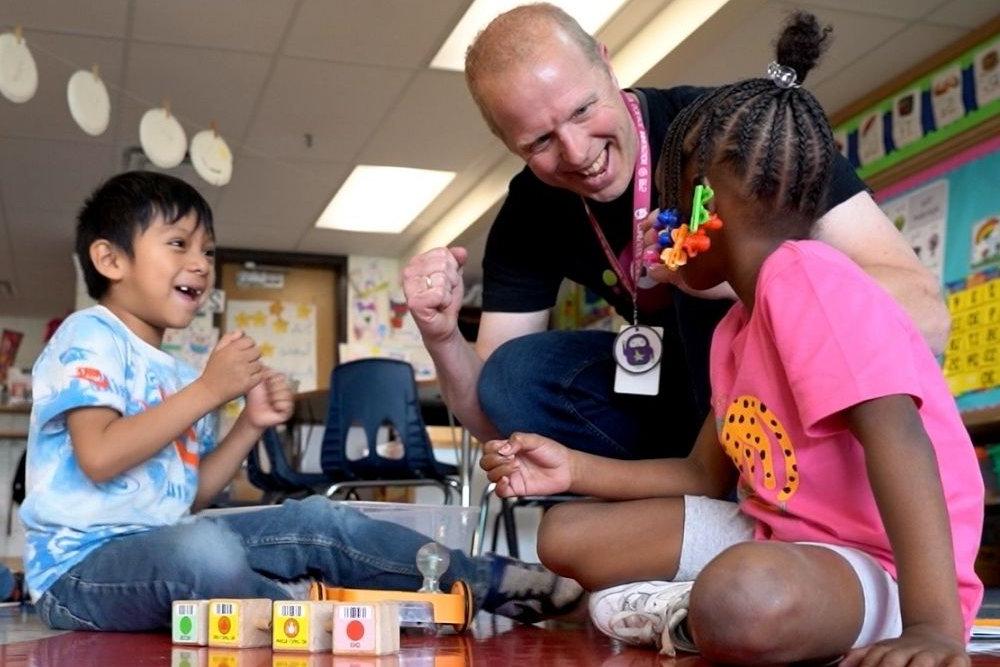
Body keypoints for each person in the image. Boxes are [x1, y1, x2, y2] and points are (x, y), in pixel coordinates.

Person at [480, 12, 984, 665]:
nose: (653, 233)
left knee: (743, 596)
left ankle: (704, 609)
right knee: (566, 531)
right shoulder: (737, 329)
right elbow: (699, 473)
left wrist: (935, 626)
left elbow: (903, 439)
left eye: (666, 210)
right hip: (780, 528)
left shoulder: (809, 283)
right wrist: (572, 468)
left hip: (882, 559)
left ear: (705, 212)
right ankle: (694, 608)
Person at [19, 171, 582, 632]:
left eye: (208, 250)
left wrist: (249, 425)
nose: (200, 263)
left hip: (163, 546)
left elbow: (186, 497)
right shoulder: (88, 334)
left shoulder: (176, 371)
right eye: (177, 244)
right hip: (78, 575)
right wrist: (210, 391)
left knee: (318, 518)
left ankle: (482, 579)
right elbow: (99, 456)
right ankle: (312, 607)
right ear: (110, 260)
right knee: (204, 555)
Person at [403, 2, 949, 464]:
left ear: (607, 67)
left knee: (709, 275)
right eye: (539, 143)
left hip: (798, 399)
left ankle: (736, 493)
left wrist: (739, 281)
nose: (577, 153)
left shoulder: (739, 131)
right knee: (513, 376)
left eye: (584, 109)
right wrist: (443, 336)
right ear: (507, 144)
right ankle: (683, 489)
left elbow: (925, 314)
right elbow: (499, 409)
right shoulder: (531, 211)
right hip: (685, 413)